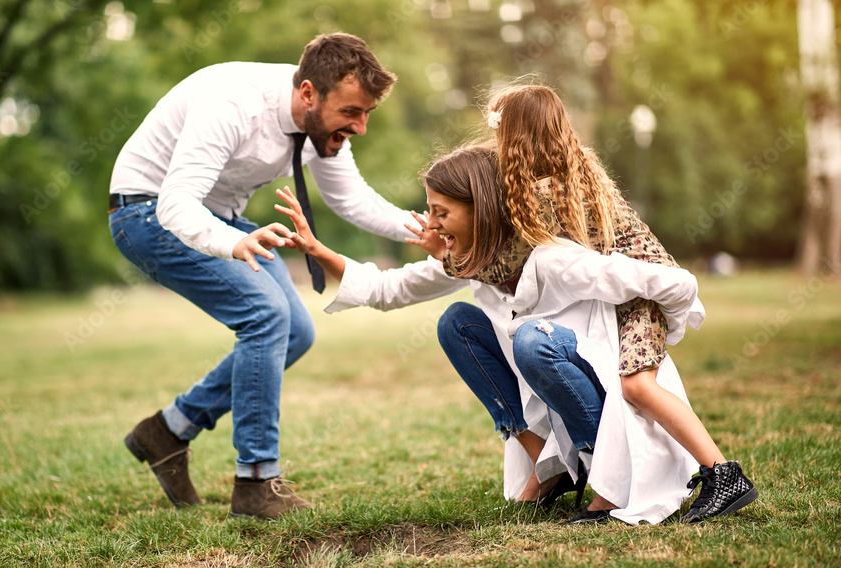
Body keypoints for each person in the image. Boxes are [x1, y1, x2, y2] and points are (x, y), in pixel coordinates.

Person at [274, 143, 705, 525]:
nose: (433, 224)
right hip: (549, 403)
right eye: (431, 211)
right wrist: (317, 249)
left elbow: (661, 280)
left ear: (480, 209)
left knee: (532, 341)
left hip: (601, 403)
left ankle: (605, 474)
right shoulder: (472, 259)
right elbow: (388, 289)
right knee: (457, 322)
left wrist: (671, 325)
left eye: (442, 212)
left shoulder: (549, 256)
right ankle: (547, 466)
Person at [107, 33, 417, 519]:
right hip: (147, 213)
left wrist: (428, 229)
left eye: (366, 115)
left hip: (220, 217)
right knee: (266, 315)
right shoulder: (234, 104)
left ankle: (168, 429)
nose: (359, 127)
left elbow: (351, 199)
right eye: (352, 112)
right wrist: (232, 242)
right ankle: (255, 483)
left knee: (296, 331)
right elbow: (175, 203)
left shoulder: (318, 126)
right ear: (310, 93)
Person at [451, 84, 757, 523]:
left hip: (641, 293)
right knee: (627, 388)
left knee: (637, 386)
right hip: (625, 294)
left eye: (500, 131)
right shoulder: (568, 172)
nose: (495, 141)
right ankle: (610, 475)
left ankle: (723, 474)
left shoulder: (548, 192)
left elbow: (505, 264)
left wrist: (450, 255)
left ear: (518, 135)